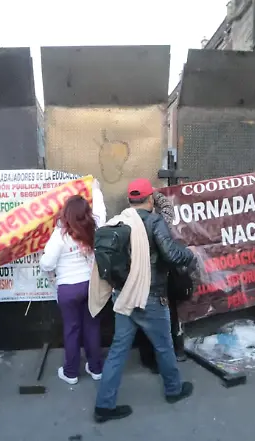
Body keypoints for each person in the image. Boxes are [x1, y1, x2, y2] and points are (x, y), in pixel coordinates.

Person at [90, 178, 195, 423]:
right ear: (150, 200)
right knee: (164, 346)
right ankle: (174, 389)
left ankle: (104, 406)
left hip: (123, 296)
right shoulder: (154, 221)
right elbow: (171, 253)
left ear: (130, 200)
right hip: (151, 297)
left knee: (118, 351)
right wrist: (189, 254)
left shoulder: (120, 220)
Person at [40, 195, 103, 385]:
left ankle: (71, 373)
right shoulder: (93, 229)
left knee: (71, 330)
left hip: (68, 288)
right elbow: (101, 212)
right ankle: (96, 369)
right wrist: (96, 191)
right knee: (92, 327)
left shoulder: (60, 236)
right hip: (90, 285)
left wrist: (43, 262)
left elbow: (47, 264)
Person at [138, 191, 188, 373]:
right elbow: (167, 207)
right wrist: (153, 193)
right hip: (160, 281)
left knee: (142, 324)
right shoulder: (159, 222)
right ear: (149, 201)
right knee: (165, 322)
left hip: (137, 283)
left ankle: (149, 360)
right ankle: (173, 357)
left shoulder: (125, 224)